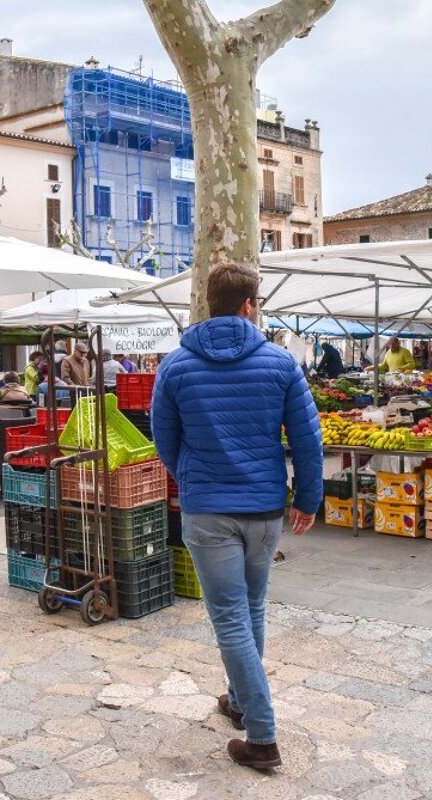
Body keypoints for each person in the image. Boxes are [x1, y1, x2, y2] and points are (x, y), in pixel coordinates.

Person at [151, 263, 322, 771]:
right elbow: (308, 442)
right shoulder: (281, 363)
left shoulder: (176, 366)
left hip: (207, 509)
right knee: (250, 609)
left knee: (231, 616)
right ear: (251, 305)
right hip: (265, 507)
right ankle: (241, 702)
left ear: (209, 303)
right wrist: (307, 500)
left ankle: (262, 735)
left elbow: (164, 439)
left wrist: (191, 475)